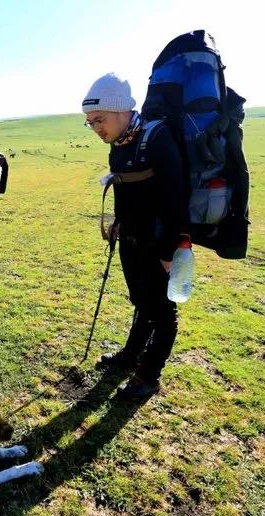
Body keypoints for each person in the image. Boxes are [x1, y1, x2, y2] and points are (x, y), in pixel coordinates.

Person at [82, 73, 186, 398]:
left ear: (122, 111)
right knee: (142, 302)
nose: (96, 128)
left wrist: (169, 252)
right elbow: (124, 189)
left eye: (99, 119)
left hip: (159, 245)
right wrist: (118, 222)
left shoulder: (158, 139)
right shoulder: (118, 146)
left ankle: (149, 376)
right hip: (130, 238)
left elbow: (175, 200)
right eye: (90, 122)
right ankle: (131, 355)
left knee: (164, 312)